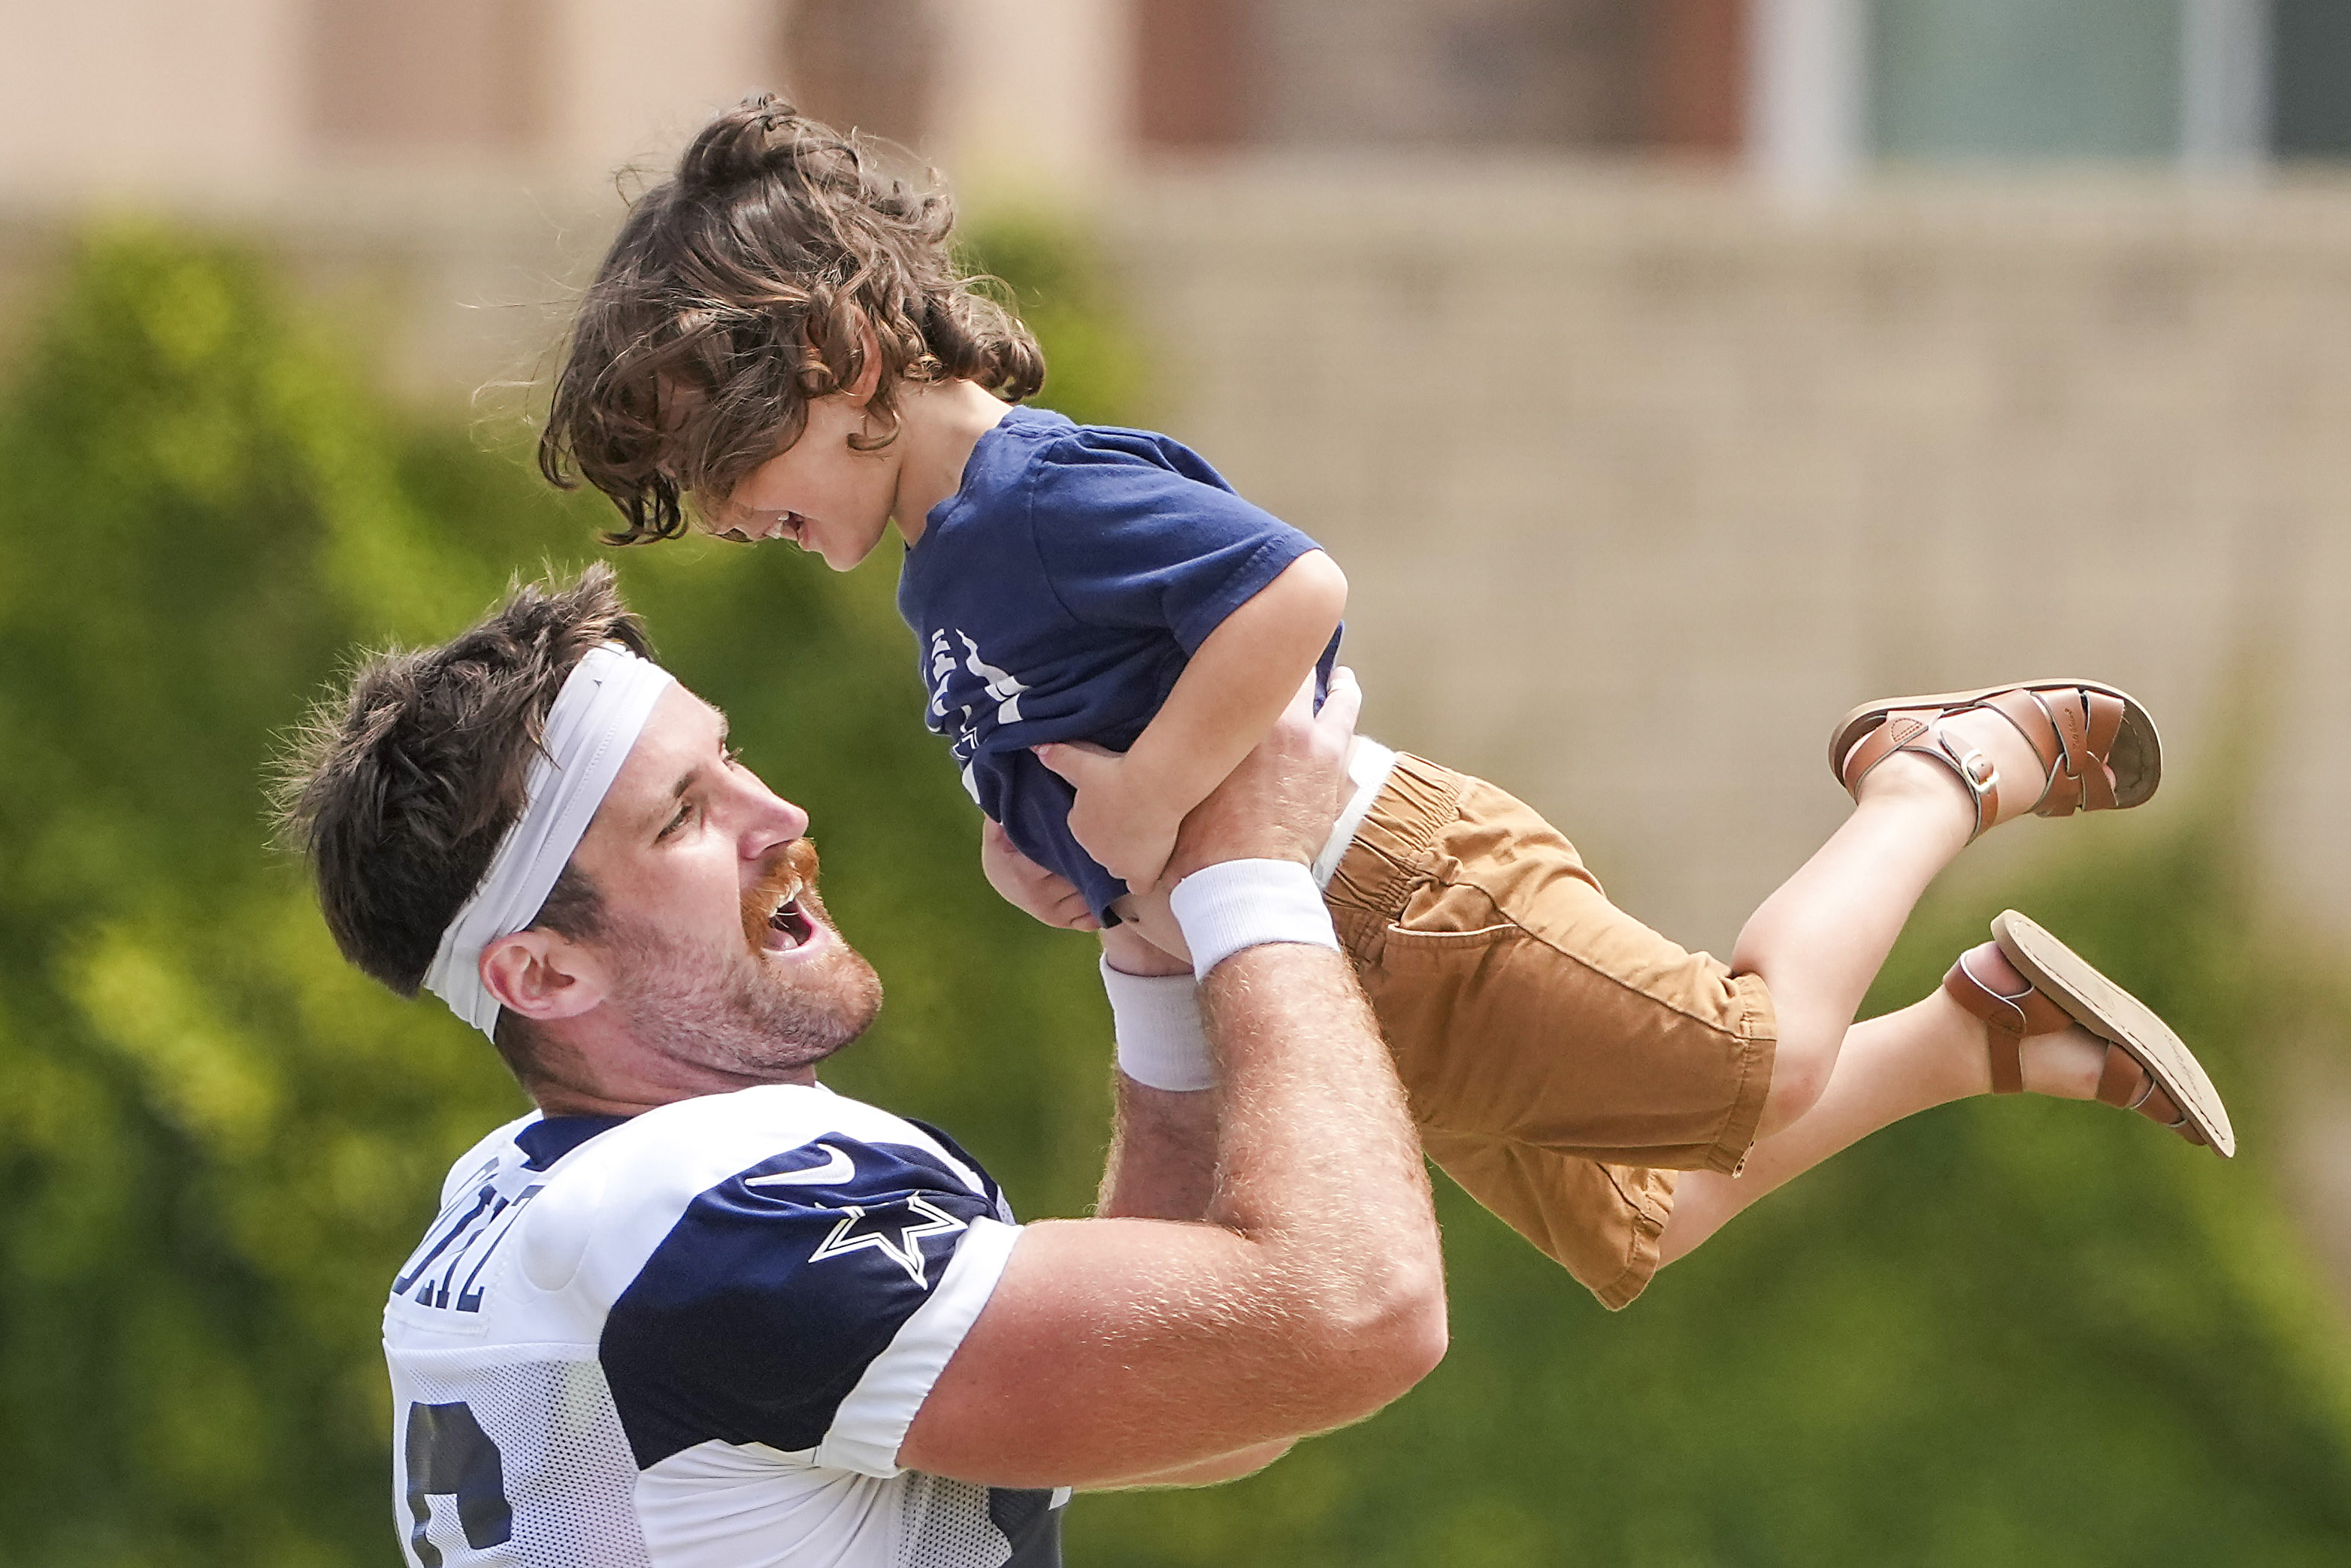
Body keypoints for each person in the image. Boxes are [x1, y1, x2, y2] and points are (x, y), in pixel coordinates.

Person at [537, 98, 2236, 1312]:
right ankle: (1979, 1030)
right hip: (1322, 969)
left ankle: (1937, 768)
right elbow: (1065, 766)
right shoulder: (942, 567)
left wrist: (1148, 802)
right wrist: (1040, 856)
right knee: (1633, 1229)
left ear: (836, 352)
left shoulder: (1025, 497)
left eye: (722, 462)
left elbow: (1291, 592)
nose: (731, 514)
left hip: (1400, 893)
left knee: (1762, 1056)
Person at [275, 566, 1446, 1567]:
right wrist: (1253, 873)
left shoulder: (540, 1189)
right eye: (685, 815)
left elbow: (1212, 1401)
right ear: (542, 973)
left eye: (728, 757)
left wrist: (1147, 960)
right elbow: (1357, 1312)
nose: (776, 813)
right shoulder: (718, 1218)